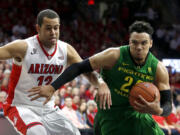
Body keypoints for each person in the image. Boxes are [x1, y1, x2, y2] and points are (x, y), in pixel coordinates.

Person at [28, 21, 172, 135]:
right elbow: (79, 67)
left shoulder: (158, 68)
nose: (139, 47)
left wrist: (158, 110)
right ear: (129, 41)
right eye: (134, 42)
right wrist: (53, 86)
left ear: (151, 43)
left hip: (138, 116)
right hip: (110, 115)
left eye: (143, 43)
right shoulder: (114, 55)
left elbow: (168, 105)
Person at [2, 9, 111, 135]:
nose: (53, 32)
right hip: (21, 106)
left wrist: (101, 83)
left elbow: (85, 69)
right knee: (37, 132)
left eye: (56, 28)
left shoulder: (66, 49)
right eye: (48, 28)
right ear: (38, 28)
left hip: (49, 108)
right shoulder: (23, 46)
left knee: (75, 133)